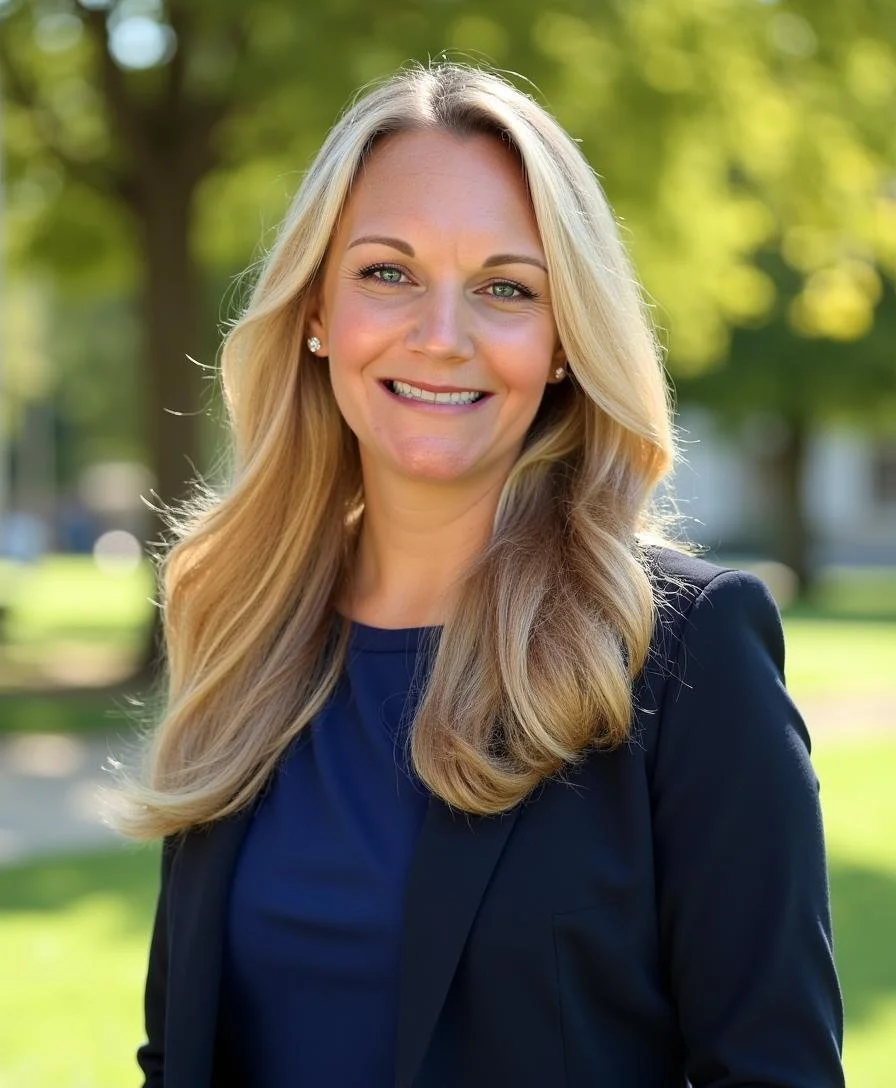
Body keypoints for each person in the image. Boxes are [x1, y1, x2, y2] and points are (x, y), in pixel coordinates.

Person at [118, 62, 844, 1087]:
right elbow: (178, 1050)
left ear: (560, 341)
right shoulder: (236, 621)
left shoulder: (683, 651)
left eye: (505, 288)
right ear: (316, 309)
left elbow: (772, 1071)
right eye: (387, 272)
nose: (441, 336)